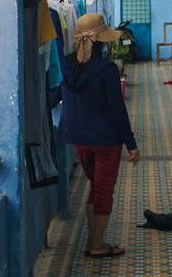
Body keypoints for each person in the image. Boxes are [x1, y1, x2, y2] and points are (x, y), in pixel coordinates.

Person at [60, 13, 141, 259]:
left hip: (79, 139)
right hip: (106, 140)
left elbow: (54, 96)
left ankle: (93, 241)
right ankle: (97, 245)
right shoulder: (107, 70)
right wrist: (131, 144)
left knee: (96, 188)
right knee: (103, 191)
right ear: (101, 41)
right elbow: (117, 109)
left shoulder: (67, 65)